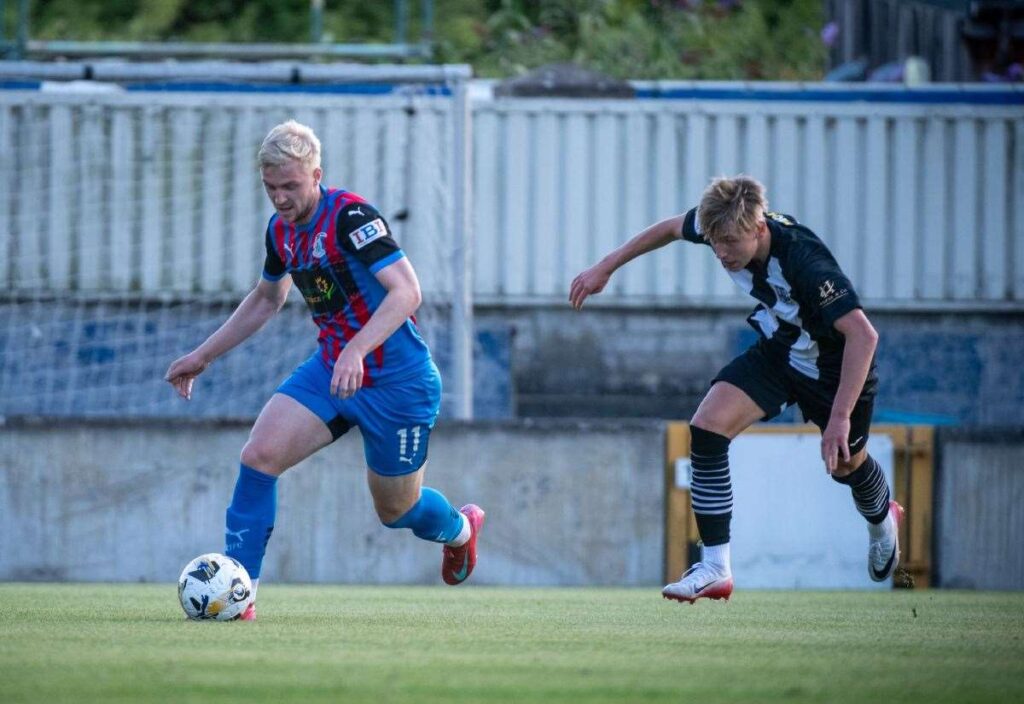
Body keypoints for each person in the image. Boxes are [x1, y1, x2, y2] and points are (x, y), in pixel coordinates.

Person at [165, 120, 484, 619]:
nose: (280, 199)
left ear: (317, 174)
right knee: (259, 457)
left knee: (396, 510)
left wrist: (357, 349)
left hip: (399, 383)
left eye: (290, 186)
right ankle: (241, 593)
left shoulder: (351, 217)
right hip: (332, 371)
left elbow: (407, 292)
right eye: (271, 188)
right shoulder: (280, 231)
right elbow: (267, 298)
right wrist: (202, 355)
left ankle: (460, 530)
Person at [569, 175, 901, 603]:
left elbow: (864, 336)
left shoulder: (805, 261)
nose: (722, 252)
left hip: (836, 367)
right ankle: (715, 568)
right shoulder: (722, 223)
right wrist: (604, 268)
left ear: (759, 228)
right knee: (707, 428)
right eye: (715, 242)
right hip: (783, 349)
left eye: (730, 242)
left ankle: (881, 518)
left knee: (846, 466)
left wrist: (838, 418)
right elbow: (669, 228)